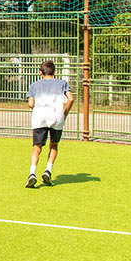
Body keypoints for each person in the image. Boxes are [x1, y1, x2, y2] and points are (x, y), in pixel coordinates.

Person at [26, 60, 74, 188]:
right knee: (54, 145)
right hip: (56, 116)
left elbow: (31, 104)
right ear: (55, 72)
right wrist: (65, 112)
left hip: (40, 116)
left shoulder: (34, 85)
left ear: (40, 72)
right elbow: (71, 98)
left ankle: (32, 173)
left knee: (37, 147)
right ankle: (48, 170)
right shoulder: (62, 83)